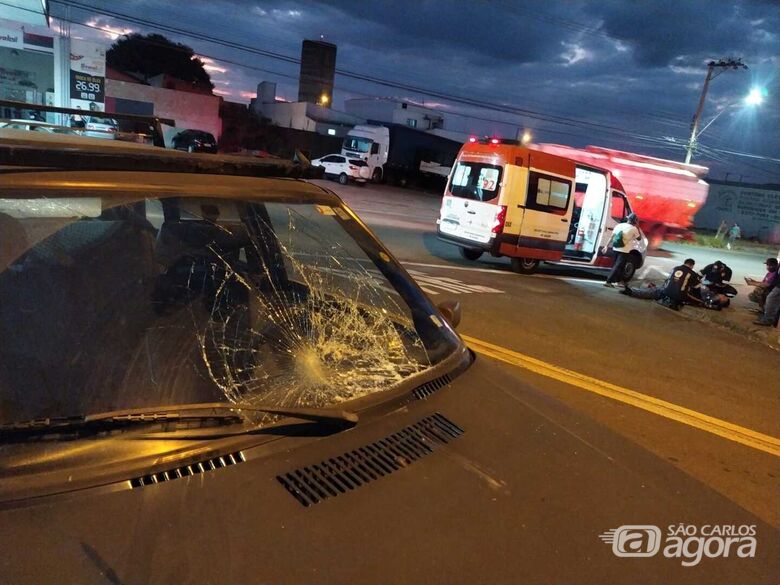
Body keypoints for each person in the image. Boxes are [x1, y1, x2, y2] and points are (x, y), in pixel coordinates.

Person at [620, 258, 701, 310]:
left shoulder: (675, 268)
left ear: (685, 263)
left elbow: (669, 280)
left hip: (666, 291)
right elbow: (697, 287)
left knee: (653, 291)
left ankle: (632, 292)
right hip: (680, 295)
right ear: (692, 265)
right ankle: (674, 303)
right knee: (695, 300)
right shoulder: (692, 274)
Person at [604, 212, 641, 287]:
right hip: (624, 250)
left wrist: (606, 246)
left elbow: (612, 236)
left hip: (615, 248)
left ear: (627, 219)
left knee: (620, 266)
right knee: (618, 266)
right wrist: (637, 227)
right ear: (634, 221)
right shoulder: (634, 229)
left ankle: (619, 281)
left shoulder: (619, 225)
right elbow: (639, 238)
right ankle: (608, 281)